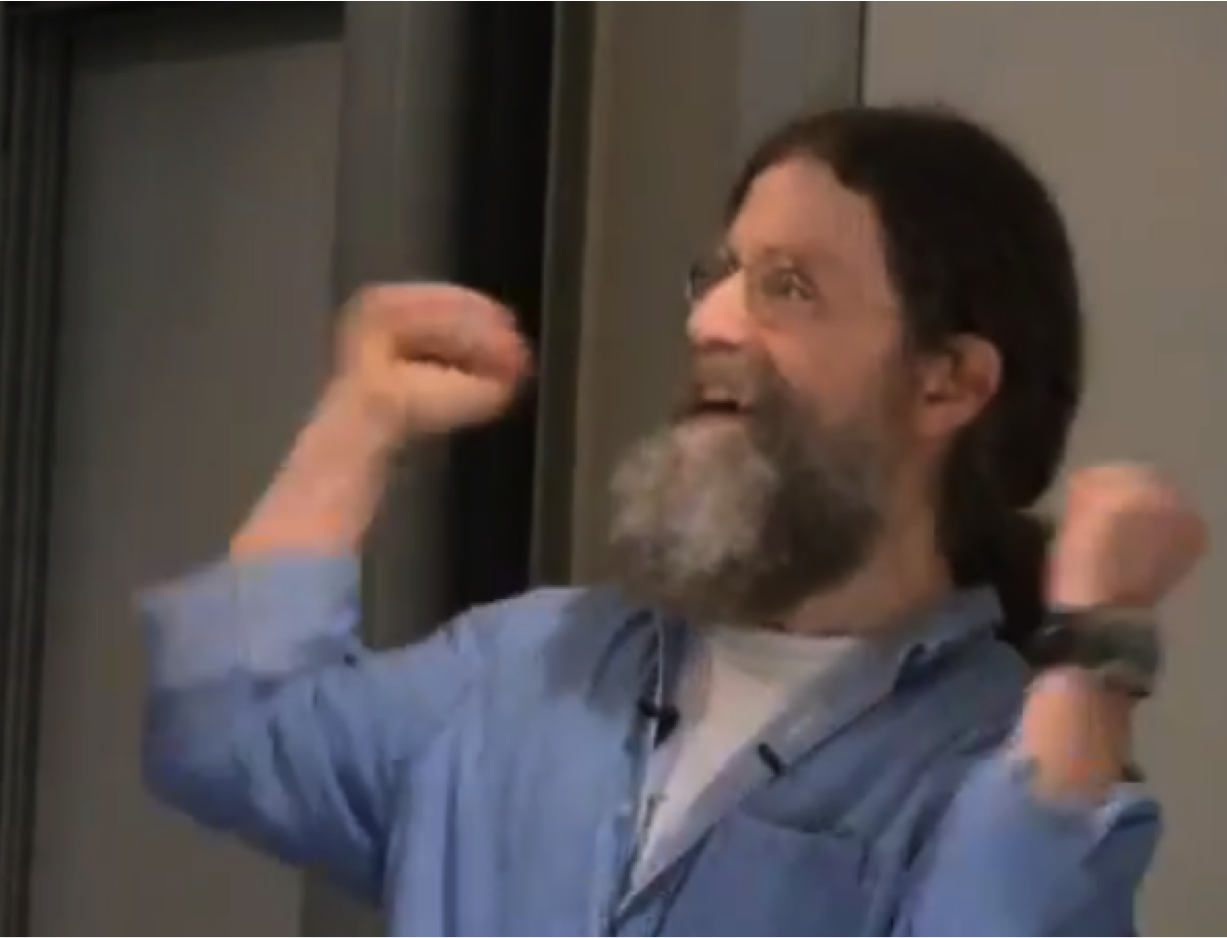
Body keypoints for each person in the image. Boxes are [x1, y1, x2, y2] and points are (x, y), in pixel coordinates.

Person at [138, 105, 1207, 937]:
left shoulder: (995, 754)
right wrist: (359, 419)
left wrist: (1097, 646)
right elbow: (229, 734)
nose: (709, 320)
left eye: (789, 286)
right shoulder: (526, 667)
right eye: (720, 274)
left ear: (948, 381)